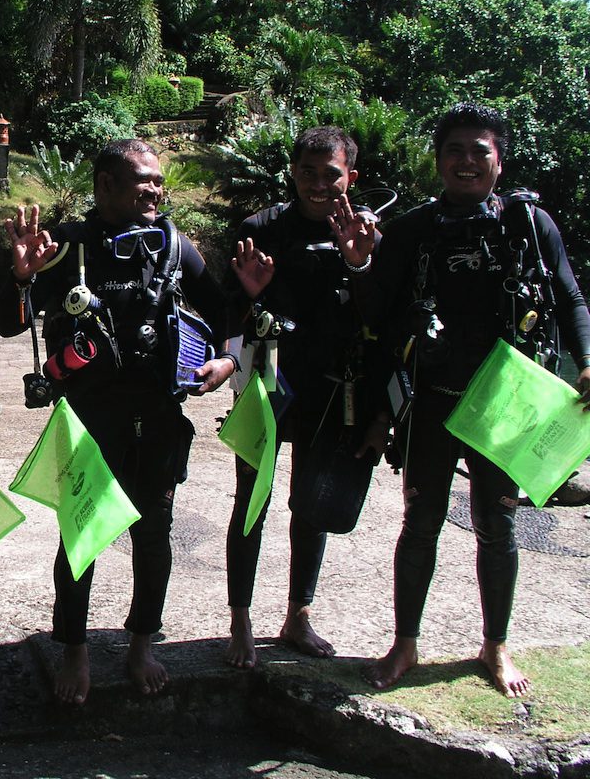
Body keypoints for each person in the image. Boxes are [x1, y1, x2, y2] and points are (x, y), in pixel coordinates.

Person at [0, 138, 236, 704]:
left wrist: (224, 358)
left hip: (158, 415)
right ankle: (73, 650)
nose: (154, 188)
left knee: (154, 537)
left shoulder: (174, 245)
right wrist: (23, 278)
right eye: (140, 180)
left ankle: (141, 645)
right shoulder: (67, 246)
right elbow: (8, 322)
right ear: (104, 185)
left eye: (157, 180)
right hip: (89, 417)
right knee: (81, 536)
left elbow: (221, 304)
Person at [361, 102, 590, 698]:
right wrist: (379, 409)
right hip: (431, 398)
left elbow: (569, 298)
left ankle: (495, 646)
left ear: (499, 160)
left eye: (478, 151)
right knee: (421, 522)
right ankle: (405, 643)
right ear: (437, 160)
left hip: (504, 402)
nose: (466, 162)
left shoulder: (529, 225)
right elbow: (377, 320)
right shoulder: (412, 229)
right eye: (454, 151)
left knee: (498, 522)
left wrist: (588, 363)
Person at [223, 125, 386, 669]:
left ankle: (298, 615)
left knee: (312, 506)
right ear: (291, 173)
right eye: (308, 173)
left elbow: (382, 318)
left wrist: (359, 261)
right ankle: (241, 619)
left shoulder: (366, 233)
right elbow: (226, 315)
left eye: (331, 174)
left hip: (334, 385)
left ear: (351, 177)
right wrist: (248, 295)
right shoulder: (259, 228)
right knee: (252, 499)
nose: (319, 185)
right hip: (267, 377)